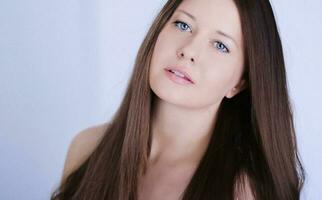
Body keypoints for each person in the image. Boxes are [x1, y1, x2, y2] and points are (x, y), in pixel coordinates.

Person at [50, 0, 306, 199]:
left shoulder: (242, 190)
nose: (189, 50)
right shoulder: (86, 148)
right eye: (183, 25)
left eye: (220, 45)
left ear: (240, 82)